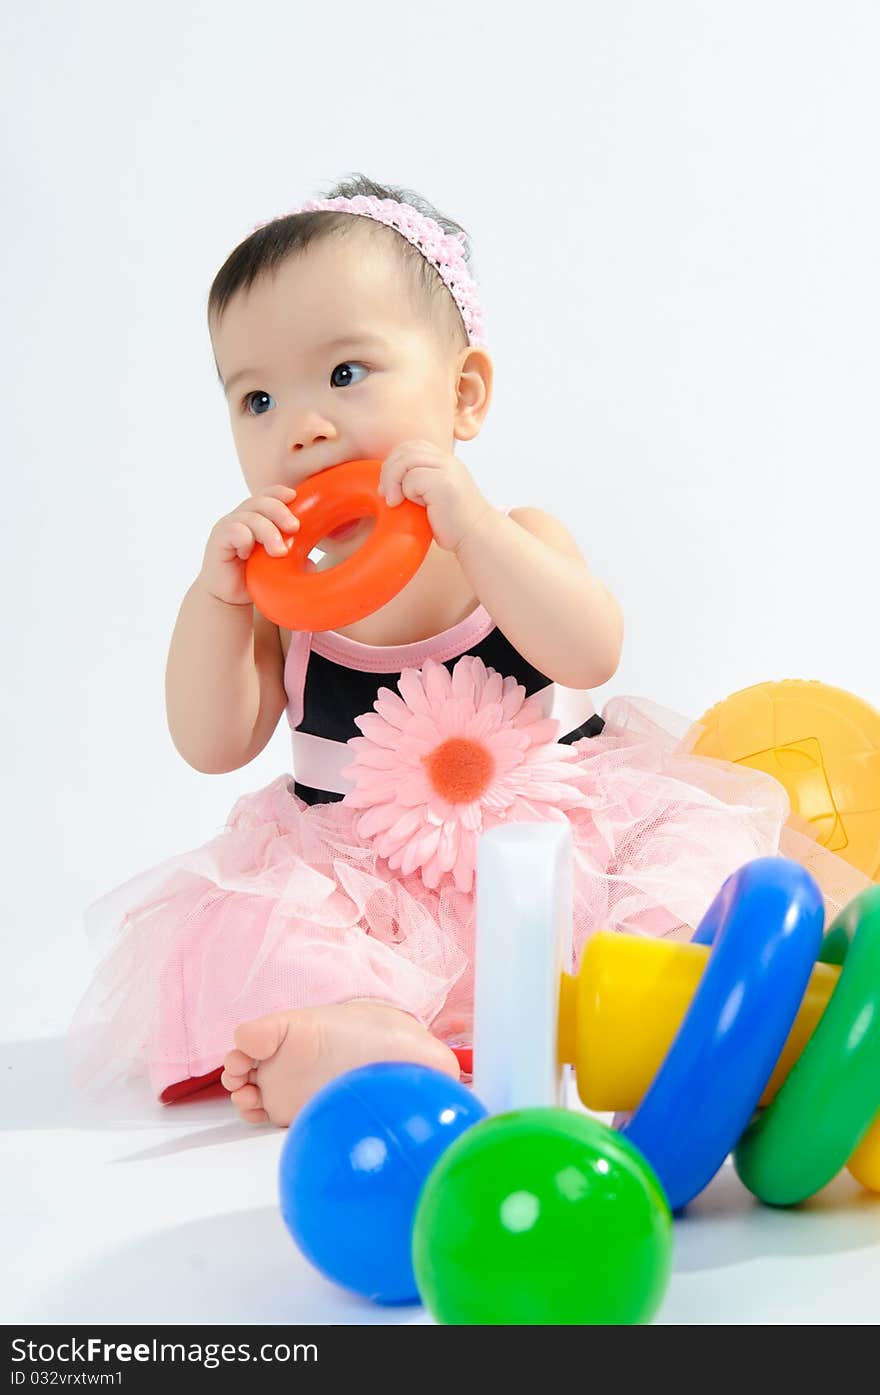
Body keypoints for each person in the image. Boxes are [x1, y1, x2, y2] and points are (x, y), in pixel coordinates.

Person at [66, 173, 866, 1128]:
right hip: (368, 886)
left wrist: (477, 529)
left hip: (571, 850)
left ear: (464, 393)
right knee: (255, 931)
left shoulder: (510, 537)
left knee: (687, 880)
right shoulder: (282, 607)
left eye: (346, 375)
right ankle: (373, 1031)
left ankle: (688, 1006)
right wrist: (215, 599)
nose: (304, 425)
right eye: (258, 398)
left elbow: (590, 651)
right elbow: (211, 739)